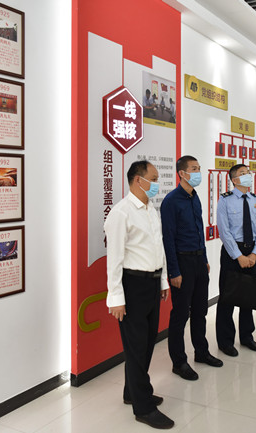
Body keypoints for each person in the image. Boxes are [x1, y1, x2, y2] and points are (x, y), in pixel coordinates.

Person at [105, 160, 173, 429]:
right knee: (135, 347)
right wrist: (116, 297)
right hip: (132, 285)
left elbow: (158, 247)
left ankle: (131, 391)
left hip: (152, 283)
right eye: (153, 178)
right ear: (137, 180)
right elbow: (114, 259)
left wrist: (163, 281)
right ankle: (143, 408)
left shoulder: (150, 209)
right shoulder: (121, 213)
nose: (156, 183)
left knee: (146, 343)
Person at [161, 156, 223, 382]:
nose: (198, 172)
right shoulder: (171, 201)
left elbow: (199, 230)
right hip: (182, 262)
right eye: (194, 169)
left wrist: (204, 258)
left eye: (199, 168)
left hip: (198, 261)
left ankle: (201, 352)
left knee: (200, 310)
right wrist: (174, 271)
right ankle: (179, 362)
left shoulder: (195, 197)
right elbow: (168, 238)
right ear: (182, 173)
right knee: (180, 314)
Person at [216, 164, 256, 357]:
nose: (248, 176)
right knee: (227, 297)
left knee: (249, 296)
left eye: (248, 173)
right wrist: (238, 256)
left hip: (251, 252)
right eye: (243, 174)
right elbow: (224, 231)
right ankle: (225, 341)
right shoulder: (225, 200)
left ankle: (247, 336)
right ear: (234, 180)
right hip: (232, 254)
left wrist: (254, 254)